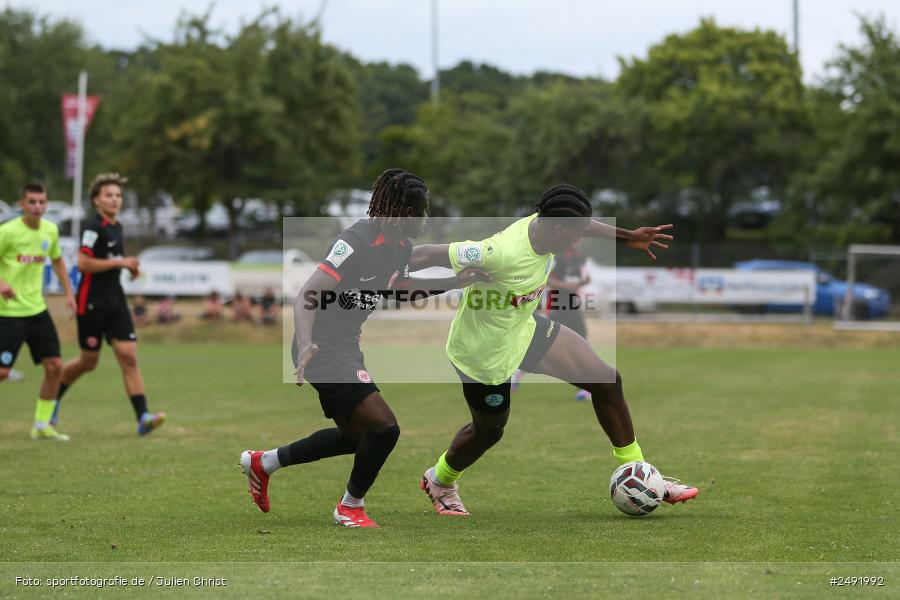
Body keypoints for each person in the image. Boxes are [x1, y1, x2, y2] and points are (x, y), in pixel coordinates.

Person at [411, 184, 699, 516]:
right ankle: (440, 480)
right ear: (557, 229)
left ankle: (642, 475)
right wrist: (379, 270)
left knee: (606, 380)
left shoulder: (552, 223)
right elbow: (426, 254)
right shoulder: (497, 251)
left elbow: (583, 224)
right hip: (483, 353)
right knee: (489, 431)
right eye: (575, 235)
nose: (579, 240)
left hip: (525, 329)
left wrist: (628, 236)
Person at [240, 169, 489, 528]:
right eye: (421, 211)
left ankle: (264, 463)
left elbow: (399, 287)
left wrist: (454, 282)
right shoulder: (354, 241)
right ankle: (349, 507)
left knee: (356, 436)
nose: (425, 218)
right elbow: (309, 293)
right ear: (402, 212)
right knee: (385, 429)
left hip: (346, 348)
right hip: (321, 349)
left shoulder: (400, 247)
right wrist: (307, 341)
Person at [52, 173, 166, 435]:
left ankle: (143, 417)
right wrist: (120, 262)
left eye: (118, 195)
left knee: (129, 357)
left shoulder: (117, 226)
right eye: (108, 195)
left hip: (116, 302)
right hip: (91, 304)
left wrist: (129, 268)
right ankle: (52, 398)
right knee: (88, 362)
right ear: (96, 200)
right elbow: (82, 263)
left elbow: (114, 261)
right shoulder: (93, 228)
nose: (115, 200)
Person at [0, 182, 77, 440]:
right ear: (21, 204)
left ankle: (42, 425)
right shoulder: (8, 232)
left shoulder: (50, 230)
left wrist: (69, 293)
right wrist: (2, 284)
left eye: (42, 202)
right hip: (8, 312)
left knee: (55, 366)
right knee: (2, 372)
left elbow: (57, 259)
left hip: (37, 310)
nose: (38, 207)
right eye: (32, 202)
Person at [511, 247, 592, 400]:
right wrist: (566, 286)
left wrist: (583, 281)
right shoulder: (556, 255)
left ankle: (585, 388)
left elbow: (586, 277)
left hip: (573, 305)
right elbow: (546, 278)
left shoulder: (580, 256)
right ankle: (516, 372)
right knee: (545, 345)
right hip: (556, 305)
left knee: (582, 343)